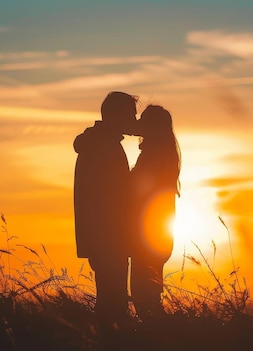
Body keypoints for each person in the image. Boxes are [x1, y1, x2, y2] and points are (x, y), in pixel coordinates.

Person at [73, 91, 139, 331]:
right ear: (114, 115)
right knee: (113, 303)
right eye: (131, 115)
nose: (134, 120)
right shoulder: (102, 146)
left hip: (106, 237)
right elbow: (109, 196)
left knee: (110, 299)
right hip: (109, 237)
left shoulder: (100, 142)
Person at [129, 104, 181, 321]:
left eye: (143, 121)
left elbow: (136, 190)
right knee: (148, 295)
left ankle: (159, 336)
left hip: (149, 236)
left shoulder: (154, 156)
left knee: (144, 296)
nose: (138, 124)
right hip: (158, 235)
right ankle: (159, 334)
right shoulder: (164, 154)